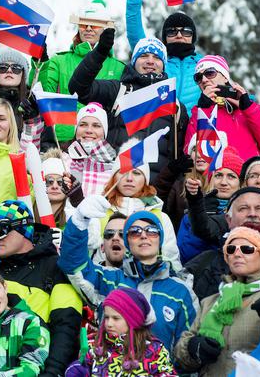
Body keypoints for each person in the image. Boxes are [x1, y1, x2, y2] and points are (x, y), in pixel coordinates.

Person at [60, 200, 199, 352]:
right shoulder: (110, 280)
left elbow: (185, 354)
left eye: (151, 230)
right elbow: (74, 265)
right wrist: (79, 221)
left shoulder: (181, 291)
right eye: (135, 232)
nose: (144, 236)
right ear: (127, 242)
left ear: (160, 240)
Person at [0, 200, 83, 376]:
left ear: (23, 229)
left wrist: (51, 372)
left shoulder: (57, 267)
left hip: (36, 369)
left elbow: (66, 327)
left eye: (0, 230)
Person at [69, 30, 187, 180]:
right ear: (134, 61)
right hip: (114, 186)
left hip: (155, 192)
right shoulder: (118, 90)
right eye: (143, 56)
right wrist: (100, 53)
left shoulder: (175, 105)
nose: (150, 61)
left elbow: (179, 152)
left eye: (156, 57)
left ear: (163, 64)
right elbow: (78, 89)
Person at [174, 224, 260, 376]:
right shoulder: (210, 301)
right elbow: (182, 353)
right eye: (231, 249)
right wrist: (192, 348)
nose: (237, 254)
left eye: (247, 249)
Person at [35, 0, 126, 142]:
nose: (88, 28)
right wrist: (40, 62)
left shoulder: (119, 67)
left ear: (105, 28)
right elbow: (42, 93)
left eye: (95, 24)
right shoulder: (59, 60)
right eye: (83, 24)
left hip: (101, 142)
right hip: (61, 140)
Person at [92, 150, 181, 271]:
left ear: (145, 180)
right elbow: (88, 260)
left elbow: (172, 263)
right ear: (113, 178)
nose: (129, 178)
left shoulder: (161, 218)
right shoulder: (98, 213)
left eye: (136, 173)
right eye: (123, 172)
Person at [127, 0, 203, 115]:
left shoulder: (204, 64)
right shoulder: (157, 61)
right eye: (172, 32)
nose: (179, 35)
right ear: (165, 37)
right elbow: (135, 35)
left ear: (193, 37)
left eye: (186, 31)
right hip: (162, 126)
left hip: (193, 129)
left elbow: (226, 86)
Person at [183, 55, 260, 160]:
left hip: (247, 174)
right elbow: (190, 154)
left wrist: (249, 108)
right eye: (198, 78)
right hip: (217, 176)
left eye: (209, 73)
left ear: (225, 76)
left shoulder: (249, 108)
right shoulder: (199, 111)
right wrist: (202, 111)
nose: (204, 80)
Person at [184, 187, 260, 301]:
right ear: (228, 219)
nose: (252, 214)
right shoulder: (205, 262)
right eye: (243, 208)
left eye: (259, 209)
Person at [65, 287, 176, 377]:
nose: (109, 323)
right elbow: (85, 364)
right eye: (107, 317)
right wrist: (78, 369)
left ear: (133, 320)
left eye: (116, 318)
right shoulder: (97, 345)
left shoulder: (155, 351)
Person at [178, 146, 243, 264]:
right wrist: (202, 213)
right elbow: (185, 254)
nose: (223, 182)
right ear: (210, 180)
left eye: (231, 176)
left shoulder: (245, 216)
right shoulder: (191, 214)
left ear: (241, 184)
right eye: (218, 175)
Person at [66, 102, 116, 197]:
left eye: (96, 126)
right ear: (76, 130)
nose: (89, 130)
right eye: (83, 124)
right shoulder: (63, 160)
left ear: (104, 132)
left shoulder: (116, 168)